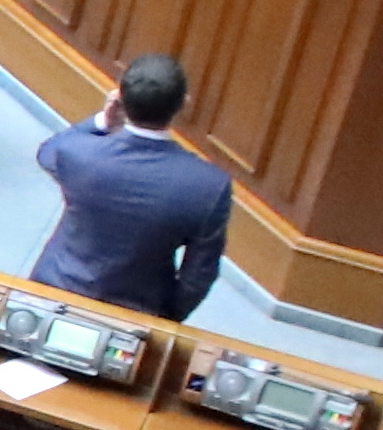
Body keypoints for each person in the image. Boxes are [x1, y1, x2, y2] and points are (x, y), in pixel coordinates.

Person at [30, 50, 233, 321]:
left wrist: (103, 121)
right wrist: (164, 319)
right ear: (183, 104)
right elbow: (198, 275)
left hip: (53, 294)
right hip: (137, 315)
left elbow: (48, 151)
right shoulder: (209, 187)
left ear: (120, 99)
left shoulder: (78, 154)